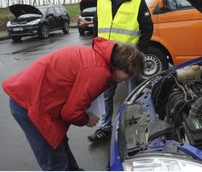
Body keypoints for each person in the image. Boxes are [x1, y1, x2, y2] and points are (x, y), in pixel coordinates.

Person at [2, 37, 144, 170]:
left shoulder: (99, 58)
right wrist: (87, 119)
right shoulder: (99, 71)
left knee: (61, 150)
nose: (127, 80)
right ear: (120, 66)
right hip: (29, 104)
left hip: (37, 99)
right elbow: (70, 113)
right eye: (129, 75)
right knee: (56, 162)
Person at [88, 0, 153, 142]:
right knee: (106, 95)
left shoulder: (138, 0)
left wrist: (137, 53)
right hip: (106, 59)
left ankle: (134, 129)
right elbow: (96, 26)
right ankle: (105, 127)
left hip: (129, 61)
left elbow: (148, 29)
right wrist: (96, 48)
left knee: (133, 95)